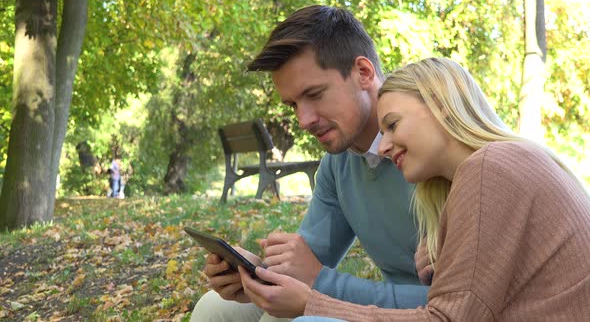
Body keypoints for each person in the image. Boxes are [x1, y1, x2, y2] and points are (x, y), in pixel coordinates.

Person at [237, 57, 590, 321]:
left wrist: (312, 302)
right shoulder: (494, 164)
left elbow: (445, 317)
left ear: (439, 104)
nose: (384, 146)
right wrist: (256, 271)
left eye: (392, 125)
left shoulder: (490, 167)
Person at [191, 5, 429, 322]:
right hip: (382, 308)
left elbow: (465, 301)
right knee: (215, 308)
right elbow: (308, 263)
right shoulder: (338, 164)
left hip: (434, 312)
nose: (303, 120)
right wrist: (256, 273)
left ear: (363, 73)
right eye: (293, 104)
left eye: (315, 94)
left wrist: (318, 284)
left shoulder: (434, 149)